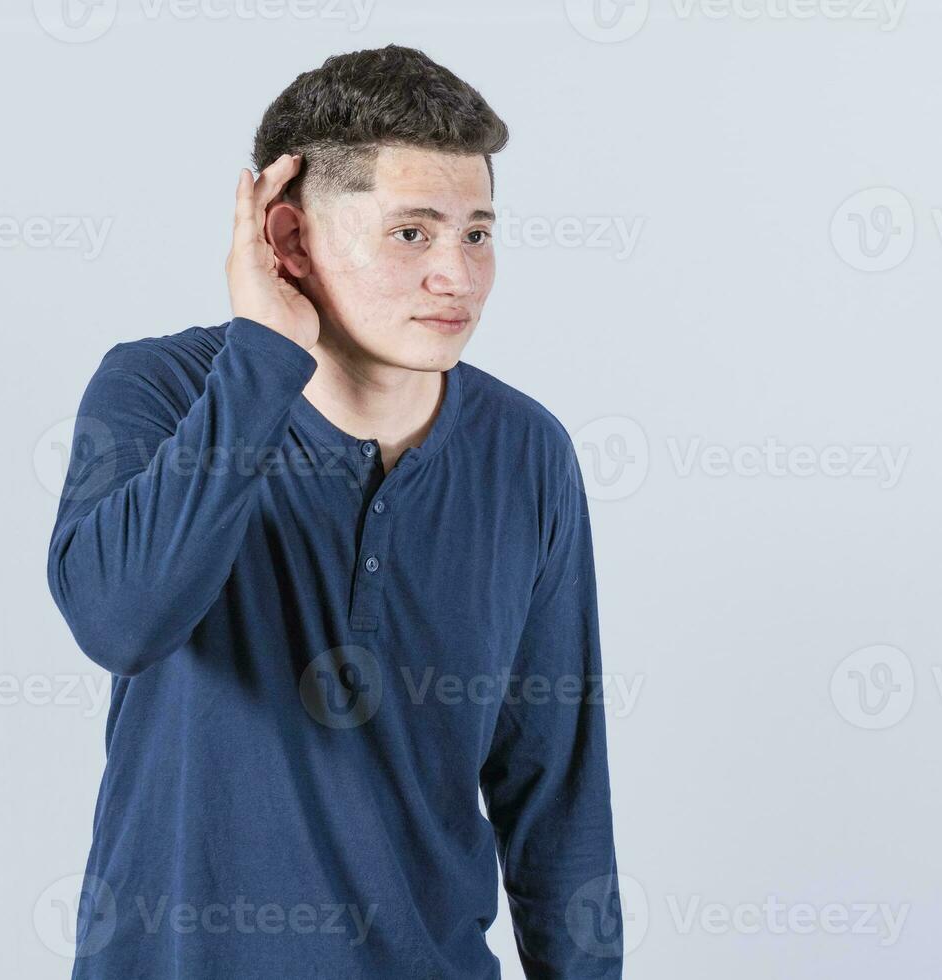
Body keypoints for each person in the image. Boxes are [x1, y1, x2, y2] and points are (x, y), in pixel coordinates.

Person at [46, 43, 623, 979]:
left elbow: (555, 794)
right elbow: (121, 622)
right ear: (287, 239)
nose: (459, 277)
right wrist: (260, 358)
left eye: (477, 233)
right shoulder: (160, 392)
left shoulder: (528, 453)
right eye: (412, 233)